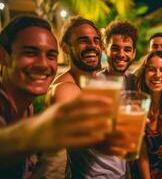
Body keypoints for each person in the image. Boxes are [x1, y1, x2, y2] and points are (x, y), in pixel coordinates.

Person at [0, 16, 115, 178]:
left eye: (51, 56)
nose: (43, 64)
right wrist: (35, 132)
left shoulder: (26, 107)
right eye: (30, 53)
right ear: (3, 55)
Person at [46, 17, 133, 178]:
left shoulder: (102, 80)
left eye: (96, 41)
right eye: (83, 41)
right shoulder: (62, 88)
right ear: (65, 47)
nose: (92, 46)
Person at [102, 19, 138, 90]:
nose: (121, 54)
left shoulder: (136, 82)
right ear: (105, 50)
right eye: (115, 49)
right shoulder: (95, 83)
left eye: (127, 50)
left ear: (134, 53)